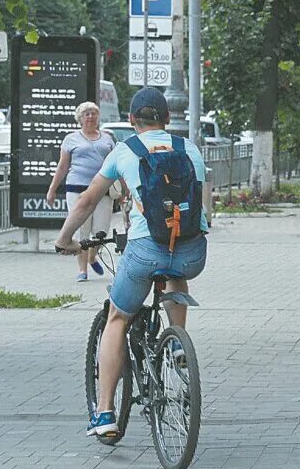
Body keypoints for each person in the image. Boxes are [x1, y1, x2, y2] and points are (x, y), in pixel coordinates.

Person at [55, 87, 208, 438]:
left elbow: (86, 201)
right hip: (192, 253)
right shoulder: (190, 149)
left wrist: (65, 239)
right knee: (175, 273)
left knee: (118, 316)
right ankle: (176, 342)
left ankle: (105, 412)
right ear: (167, 119)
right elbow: (202, 206)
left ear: (130, 120)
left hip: (145, 250)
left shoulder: (124, 151)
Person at [46, 101, 115, 282]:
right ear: (80, 118)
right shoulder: (71, 139)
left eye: (94, 113)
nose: (91, 117)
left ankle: (92, 257)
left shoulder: (107, 138)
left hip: (102, 188)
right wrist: (52, 189)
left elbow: (116, 164)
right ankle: (82, 270)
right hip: (77, 188)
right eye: (87, 114)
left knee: (101, 230)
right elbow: (63, 166)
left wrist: (124, 188)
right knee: (80, 230)